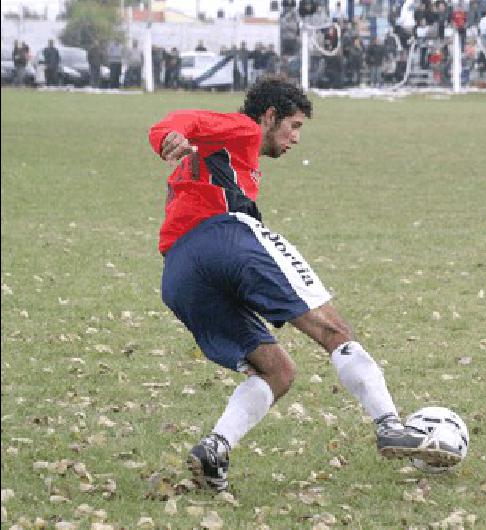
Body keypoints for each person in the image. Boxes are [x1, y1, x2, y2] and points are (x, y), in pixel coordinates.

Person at [148, 77, 460, 492]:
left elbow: (188, 132)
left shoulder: (224, 157)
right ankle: (389, 425)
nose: (295, 138)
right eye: (293, 126)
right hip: (223, 239)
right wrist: (168, 135)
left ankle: (214, 449)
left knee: (277, 371)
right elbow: (184, 119)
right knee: (333, 329)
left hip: (179, 273)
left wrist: (171, 137)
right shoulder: (243, 128)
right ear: (269, 116)